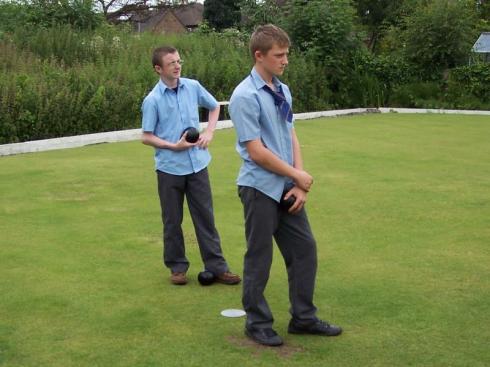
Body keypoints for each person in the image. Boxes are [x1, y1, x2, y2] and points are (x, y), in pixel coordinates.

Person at [229, 25, 342, 346]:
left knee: (305, 250)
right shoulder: (244, 96)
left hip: (287, 187)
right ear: (259, 55)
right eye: (279, 55)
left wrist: (299, 180)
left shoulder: (282, 90)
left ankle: (303, 319)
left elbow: (290, 134)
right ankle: (257, 322)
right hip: (259, 188)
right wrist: (296, 176)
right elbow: (256, 151)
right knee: (259, 257)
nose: (285, 60)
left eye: (287, 54)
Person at [141, 46, 241, 286]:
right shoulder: (152, 100)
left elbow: (215, 106)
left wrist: (209, 131)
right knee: (172, 220)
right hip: (169, 169)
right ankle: (177, 268)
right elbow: (146, 136)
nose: (177, 66)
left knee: (205, 218)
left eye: (178, 61)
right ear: (158, 69)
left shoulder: (193, 86)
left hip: (198, 166)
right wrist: (173, 146)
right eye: (171, 63)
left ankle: (217, 267)